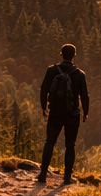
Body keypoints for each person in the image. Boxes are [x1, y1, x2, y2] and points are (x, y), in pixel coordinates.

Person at [37, 43, 89, 185]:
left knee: (50, 142)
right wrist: (85, 112)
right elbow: (84, 96)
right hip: (72, 115)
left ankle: (43, 174)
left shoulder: (51, 70)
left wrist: (43, 107)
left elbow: (44, 89)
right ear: (74, 56)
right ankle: (66, 178)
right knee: (70, 145)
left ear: (61, 54)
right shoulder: (79, 74)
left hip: (55, 113)